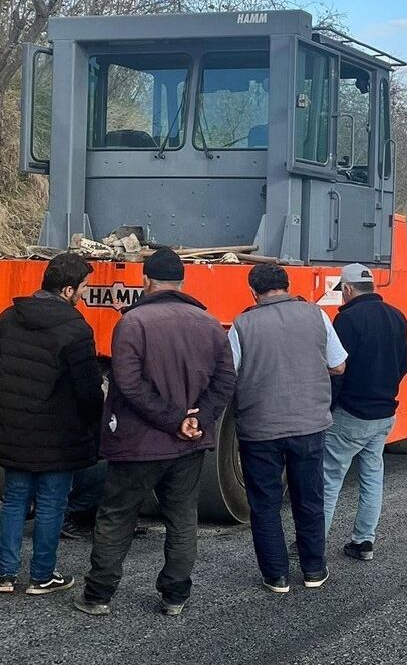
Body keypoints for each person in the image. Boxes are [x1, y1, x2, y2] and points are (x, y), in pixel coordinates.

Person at [74, 249, 236, 617]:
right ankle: (175, 596)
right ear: (183, 282)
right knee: (181, 518)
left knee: (116, 515)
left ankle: (98, 596)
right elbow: (226, 379)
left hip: (137, 442)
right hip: (188, 445)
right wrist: (198, 419)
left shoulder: (133, 323)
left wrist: (171, 419)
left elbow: (128, 384)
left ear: (146, 281)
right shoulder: (210, 323)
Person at [0, 254, 103, 596]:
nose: (85, 296)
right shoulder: (76, 328)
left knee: (16, 500)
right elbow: (88, 389)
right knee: (51, 503)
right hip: (58, 436)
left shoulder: (8, 318)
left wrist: (12, 399)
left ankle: (5, 576)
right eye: (84, 289)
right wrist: (93, 423)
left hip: (15, 429)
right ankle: (42, 577)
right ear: (67, 289)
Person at [229, 264, 348, 593]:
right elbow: (338, 364)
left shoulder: (242, 324)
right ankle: (313, 569)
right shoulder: (316, 316)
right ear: (287, 284)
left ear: (253, 291)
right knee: (309, 499)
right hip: (309, 425)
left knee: (265, 504)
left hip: (260, 429)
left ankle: (276, 575)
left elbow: (228, 375)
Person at [323, 264, 407, 562]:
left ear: (347, 290)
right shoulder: (397, 317)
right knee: (372, 477)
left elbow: (337, 370)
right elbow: (403, 365)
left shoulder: (346, 320)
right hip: (384, 414)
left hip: (351, 414)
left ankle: (312, 542)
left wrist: (329, 406)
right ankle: (363, 542)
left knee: (328, 479)